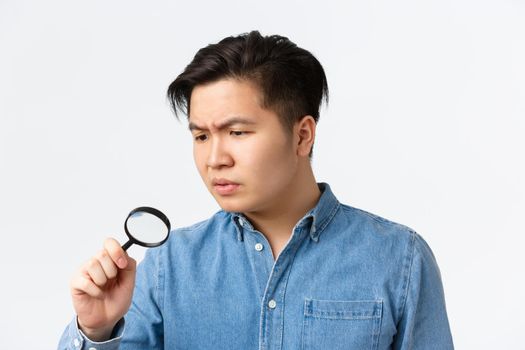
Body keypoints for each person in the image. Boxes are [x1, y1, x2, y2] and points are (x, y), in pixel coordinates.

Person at [58, 30, 454, 349]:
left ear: (302, 135)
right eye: (200, 136)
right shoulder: (169, 266)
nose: (215, 158)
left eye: (237, 132)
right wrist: (96, 332)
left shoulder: (399, 259)